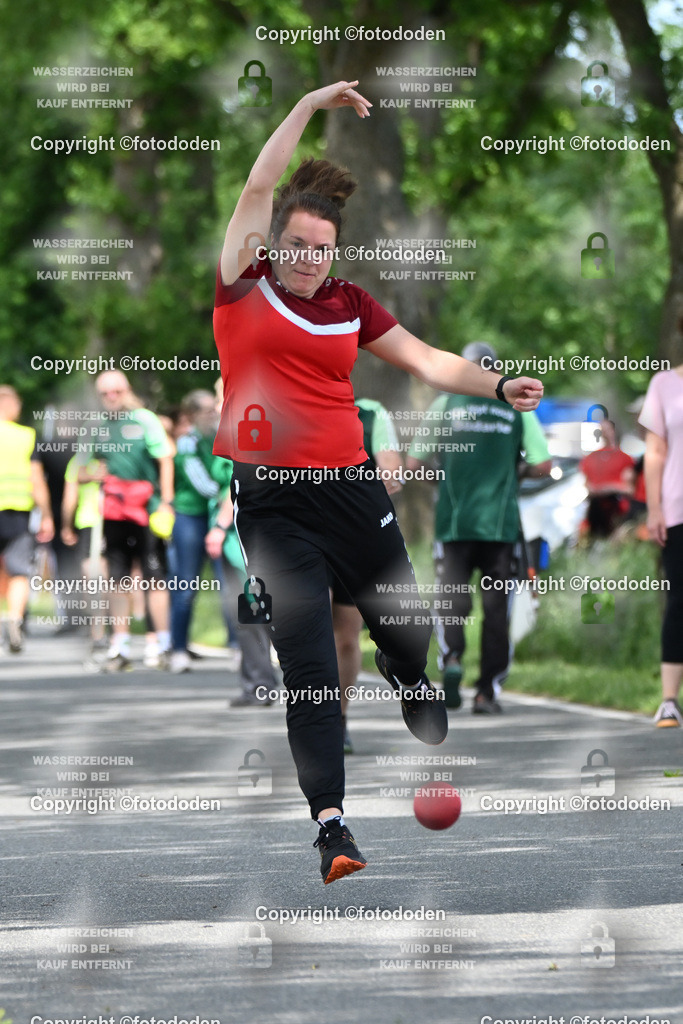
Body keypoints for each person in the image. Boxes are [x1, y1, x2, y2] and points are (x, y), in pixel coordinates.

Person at [212, 80, 543, 884]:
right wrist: (304, 106)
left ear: (333, 251)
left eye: (320, 247)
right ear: (272, 242)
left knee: (404, 633)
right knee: (310, 663)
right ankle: (332, 826)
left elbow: (428, 361)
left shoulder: (349, 304)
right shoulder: (242, 288)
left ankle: (409, 674)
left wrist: (497, 387)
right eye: (294, 242)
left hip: (354, 492)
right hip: (273, 506)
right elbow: (259, 185)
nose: (306, 256)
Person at [407, 342, 551, 714]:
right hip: (500, 526)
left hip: (454, 524)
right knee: (496, 609)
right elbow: (545, 464)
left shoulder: (445, 405)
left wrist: (445, 481)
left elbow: (414, 464)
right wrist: (514, 471)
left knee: (451, 601)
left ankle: (453, 660)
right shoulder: (516, 409)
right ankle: (487, 691)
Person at [331, 398, 403, 754]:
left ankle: (339, 719)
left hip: (351, 535)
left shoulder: (372, 412)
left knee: (346, 635)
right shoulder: (288, 402)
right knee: (306, 626)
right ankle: (314, 716)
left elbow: (391, 474)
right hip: (298, 539)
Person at [93, 370, 174, 671]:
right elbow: (83, 468)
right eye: (106, 393)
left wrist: (166, 502)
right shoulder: (98, 426)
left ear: (126, 390)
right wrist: (93, 474)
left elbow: (165, 458)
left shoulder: (145, 420)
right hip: (115, 513)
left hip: (148, 509)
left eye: (117, 391)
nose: (112, 397)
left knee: (155, 575)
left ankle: (161, 643)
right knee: (117, 577)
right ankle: (120, 644)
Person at [167, 389, 232, 674]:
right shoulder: (187, 443)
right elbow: (201, 483)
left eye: (213, 409)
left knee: (230, 583)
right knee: (186, 585)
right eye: (206, 410)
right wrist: (226, 498)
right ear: (192, 415)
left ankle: (238, 645)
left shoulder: (222, 437)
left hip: (218, 517)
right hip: (191, 517)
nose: (213, 413)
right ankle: (178, 648)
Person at [638, 360, 683, 727]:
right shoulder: (664, 383)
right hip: (678, 509)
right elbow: (655, 450)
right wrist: (654, 508)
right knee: (680, 600)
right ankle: (669, 701)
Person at [0, 386, 54, 652]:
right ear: (12, 406)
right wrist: (46, 515)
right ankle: (15, 619)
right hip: (18, 512)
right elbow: (36, 479)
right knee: (19, 570)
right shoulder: (26, 436)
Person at [579, 419, 635, 538]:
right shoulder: (591, 458)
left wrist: (608, 488)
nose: (605, 433)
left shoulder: (625, 459)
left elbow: (629, 488)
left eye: (607, 430)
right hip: (597, 510)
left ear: (613, 431)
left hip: (618, 509)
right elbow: (587, 484)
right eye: (602, 430)